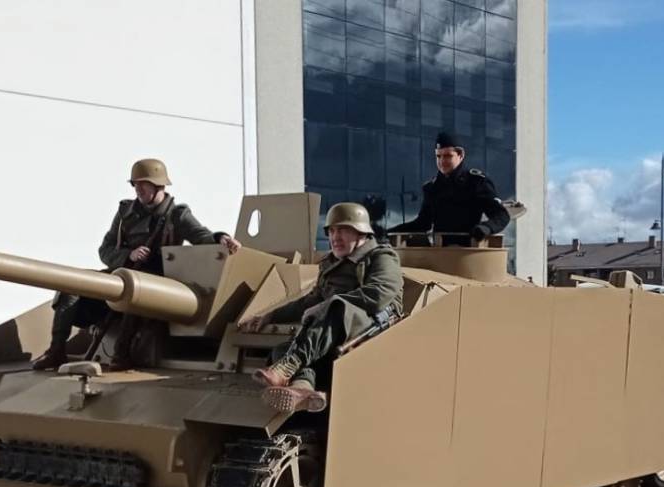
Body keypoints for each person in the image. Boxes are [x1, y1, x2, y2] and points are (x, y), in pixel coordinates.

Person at [32, 158, 241, 370]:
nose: (138, 189)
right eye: (135, 184)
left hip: (156, 283)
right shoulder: (125, 213)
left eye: (143, 184)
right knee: (72, 286)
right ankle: (56, 351)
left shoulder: (177, 215)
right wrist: (128, 255)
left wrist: (220, 238)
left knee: (137, 294)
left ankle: (121, 355)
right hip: (121, 274)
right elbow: (105, 250)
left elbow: (201, 236)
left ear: (159, 185)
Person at [239, 202, 404, 413]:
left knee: (337, 306)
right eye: (332, 231)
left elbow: (379, 295)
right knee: (281, 348)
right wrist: (271, 315)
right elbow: (311, 300)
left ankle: (289, 364)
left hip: (372, 327)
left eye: (343, 230)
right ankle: (302, 389)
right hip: (334, 329)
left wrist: (328, 305)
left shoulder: (382, 257)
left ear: (361, 232)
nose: (335, 237)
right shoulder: (329, 263)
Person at [386, 131, 511, 247]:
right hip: (440, 252)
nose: (442, 161)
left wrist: (485, 228)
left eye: (447, 156)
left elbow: (501, 215)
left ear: (461, 155)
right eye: (438, 156)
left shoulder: (476, 182)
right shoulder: (432, 188)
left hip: (468, 253)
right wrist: (389, 232)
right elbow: (422, 224)